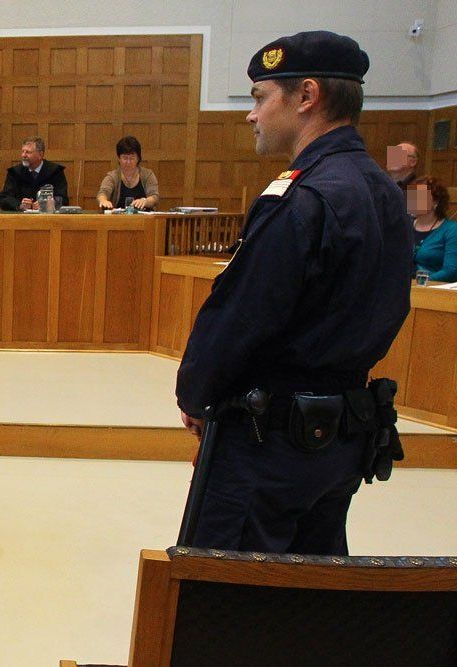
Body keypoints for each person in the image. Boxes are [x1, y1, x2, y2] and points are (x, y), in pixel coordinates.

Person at [175, 31, 411, 556]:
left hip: (269, 440)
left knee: (230, 589)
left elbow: (241, 315)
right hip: (340, 433)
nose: (251, 115)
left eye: (261, 98)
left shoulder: (303, 197)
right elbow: (394, 306)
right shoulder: (382, 191)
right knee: (310, 587)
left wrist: (196, 393)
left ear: (306, 96)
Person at [0, 136, 69, 211]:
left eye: (28, 152)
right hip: (21, 217)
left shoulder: (55, 172)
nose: (23, 155)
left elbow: (63, 199)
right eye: (23, 151)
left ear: (40, 155)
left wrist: (46, 203)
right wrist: (19, 205)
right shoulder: (15, 173)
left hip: (46, 217)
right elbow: (4, 198)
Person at [409, 176, 457, 282]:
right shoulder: (404, 226)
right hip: (400, 286)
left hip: (433, 288)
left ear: (436, 201)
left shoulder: (452, 230)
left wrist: (420, 283)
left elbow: (451, 271)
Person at [96, 136, 160, 210]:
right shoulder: (112, 176)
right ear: (119, 158)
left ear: (138, 158)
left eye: (132, 158)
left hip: (144, 216)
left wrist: (145, 201)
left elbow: (155, 197)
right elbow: (103, 192)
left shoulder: (148, 175)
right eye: (125, 158)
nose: (128, 162)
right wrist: (103, 200)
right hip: (119, 216)